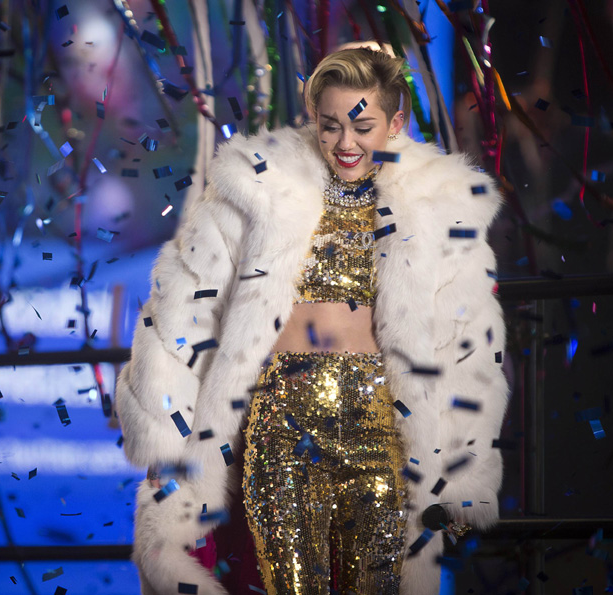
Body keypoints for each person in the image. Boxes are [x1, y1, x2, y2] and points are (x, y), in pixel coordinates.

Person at [114, 43, 509, 595]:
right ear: (312, 117)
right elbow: (182, 310)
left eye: (362, 126)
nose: (345, 143)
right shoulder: (257, 186)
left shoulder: (440, 204)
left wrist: (465, 467)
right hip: (282, 428)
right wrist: (167, 436)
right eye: (330, 126)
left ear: (396, 122)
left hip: (382, 430)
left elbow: (470, 342)